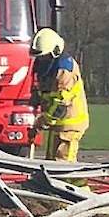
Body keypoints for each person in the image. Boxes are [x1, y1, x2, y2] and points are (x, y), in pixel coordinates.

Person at [30, 28, 89, 164]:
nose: (41, 60)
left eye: (44, 57)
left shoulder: (65, 69)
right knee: (51, 163)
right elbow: (43, 93)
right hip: (57, 125)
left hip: (70, 124)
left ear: (55, 52)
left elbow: (60, 103)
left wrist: (42, 122)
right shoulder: (45, 67)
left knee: (63, 164)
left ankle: (77, 186)